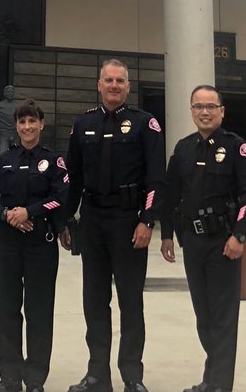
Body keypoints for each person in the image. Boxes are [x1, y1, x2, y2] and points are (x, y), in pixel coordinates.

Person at [61, 59, 165, 392]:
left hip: (128, 221)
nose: (114, 85)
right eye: (109, 80)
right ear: (99, 84)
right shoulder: (83, 124)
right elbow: (73, 178)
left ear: (128, 87)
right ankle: (97, 375)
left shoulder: (144, 124)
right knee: (94, 300)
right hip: (92, 220)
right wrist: (66, 219)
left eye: (120, 81)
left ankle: (132, 376)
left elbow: (156, 178)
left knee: (130, 301)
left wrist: (147, 220)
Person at [159, 86, 246, 392]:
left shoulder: (236, 147)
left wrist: (239, 235)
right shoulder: (183, 148)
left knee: (223, 317)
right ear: (191, 111)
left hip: (223, 242)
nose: (204, 112)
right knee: (203, 316)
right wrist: (167, 235)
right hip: (193, 242)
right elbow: (170, 195)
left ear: (221, 111)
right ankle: (211, 378)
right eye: (198, 106)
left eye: (210, 106)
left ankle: (219, 385)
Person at [0, 99, 69, 392]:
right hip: (6, 242)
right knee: (8, 309)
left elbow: (61, 197)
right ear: (17, 126)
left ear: (41, 124)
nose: (27, 127)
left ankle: (34, 378)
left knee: (39, 311)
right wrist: (7, 215)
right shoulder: (4, 160)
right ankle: (9, 376)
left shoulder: (53, 161)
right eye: (22, 122)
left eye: (32, 121)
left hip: (40, 242)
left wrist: (29, 212)